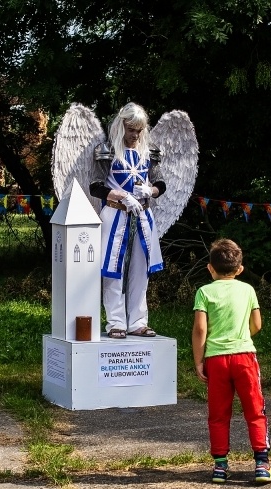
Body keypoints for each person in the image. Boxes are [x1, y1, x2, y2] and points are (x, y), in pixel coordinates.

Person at [192, 238, 271, 484]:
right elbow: (257, 325)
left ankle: (220, 466)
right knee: (254, 410)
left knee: (218, 413)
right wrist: (240, 336)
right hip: (245, 357)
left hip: (216, 360)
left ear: (210, 267)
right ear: (239, 269)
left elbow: (200, 329)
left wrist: (199, 360)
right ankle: (262, 464)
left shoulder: (204, 292)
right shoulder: (248, 290)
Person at [89, 102, 167, 339]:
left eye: (139, 130)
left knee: (140, 270)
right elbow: (95, 185)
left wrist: (149, 192)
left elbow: (160, 184)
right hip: (115, 215)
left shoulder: (149, 152)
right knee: (113, 269)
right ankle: (115, 323)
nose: (135, 135)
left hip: (142, 216)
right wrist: (120, 195)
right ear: (120, 127)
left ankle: (138, 322)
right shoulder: (107, 151)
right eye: (131, 129)